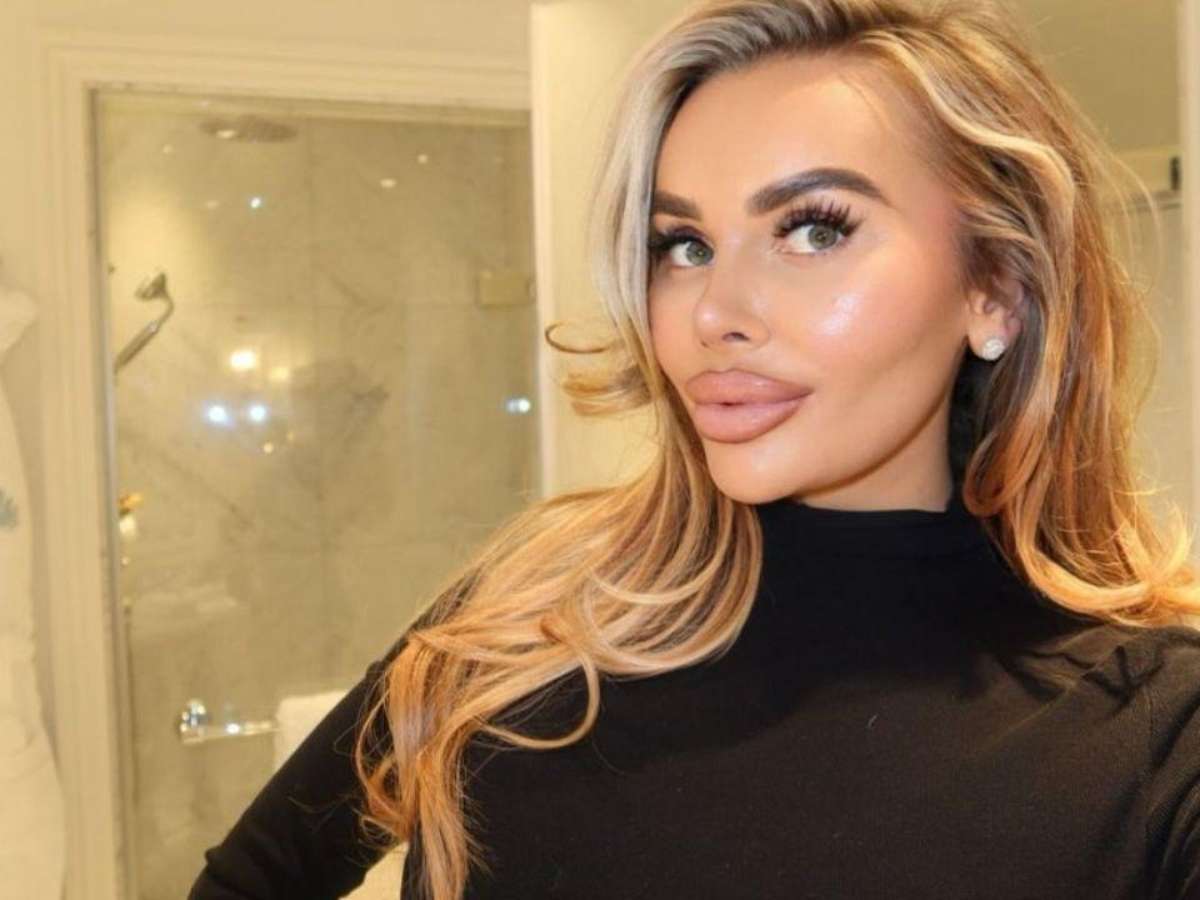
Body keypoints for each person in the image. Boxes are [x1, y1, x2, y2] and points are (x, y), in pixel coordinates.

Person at [188, 0, 1200, 898]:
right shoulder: (527, 618)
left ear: (997, 290)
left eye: (813, 230)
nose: (713, 311)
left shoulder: (1154, 734)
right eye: (684, 245)